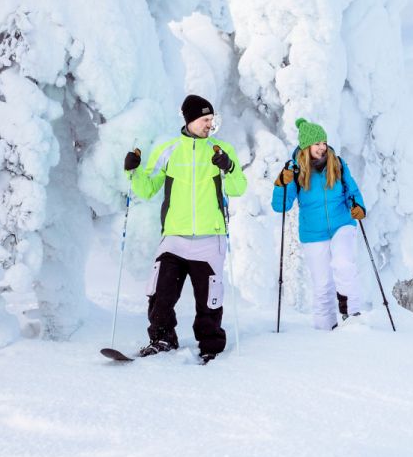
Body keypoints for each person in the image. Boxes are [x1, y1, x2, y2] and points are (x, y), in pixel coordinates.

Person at [123, 94, 247, 363]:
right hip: (174, 238)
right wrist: (133, 171)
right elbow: (146, 189)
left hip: (209, 237)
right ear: (190, 120)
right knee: (160, 293)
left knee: (209, 300)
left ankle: (210, 346)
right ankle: (162, 338)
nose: (209, 125)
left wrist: (229, 166)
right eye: (205, 119)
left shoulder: (220, 150)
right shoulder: (168, 149)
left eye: (211, 120)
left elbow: (239, 187)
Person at [272, 118, 367, 330]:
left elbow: (352, 191)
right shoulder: (295, 170)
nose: (322, 147)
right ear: (306, 146)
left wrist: (358, 206)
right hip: (313, 233)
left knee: (343, 264)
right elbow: (281, 207)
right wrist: (281, 184)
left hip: (342, 223)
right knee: (322, 285)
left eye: (324, 142)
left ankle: (352, 315)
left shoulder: (338, 164)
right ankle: (325, 330)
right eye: (317, 143)